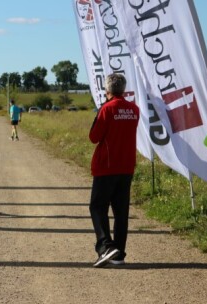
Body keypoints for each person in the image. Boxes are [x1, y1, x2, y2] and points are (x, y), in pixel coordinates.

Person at [88, 73, 139, 267]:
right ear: (123, 89)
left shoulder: (107, 109)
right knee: (121, 211)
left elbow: (94, 137)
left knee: (97, 207)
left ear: (106, 89)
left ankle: (105, 247)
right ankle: (118, 254)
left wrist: (100, 112)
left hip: (106, 167)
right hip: (126, 166)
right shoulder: (134, 109)